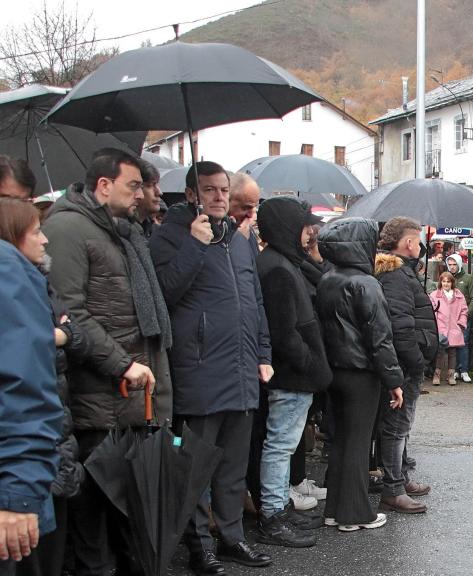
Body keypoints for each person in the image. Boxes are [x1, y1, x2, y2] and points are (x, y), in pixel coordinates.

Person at [43, 151, 173, 576]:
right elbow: (70, 315)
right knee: (94, 521)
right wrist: (121, 365)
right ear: (103, 185)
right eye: (133, 185)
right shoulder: (67, 229)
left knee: (124, 517)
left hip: (128, 399)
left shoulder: (121, 231)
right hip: (99, 400)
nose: (140, 194)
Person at [148, 161, 274, 572]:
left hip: (242, 370)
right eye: (209, 190)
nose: (219, 197)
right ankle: (199, 545)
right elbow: (164, 295)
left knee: (232, 467)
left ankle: (232, 538)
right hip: (199, 370)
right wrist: (194, 245)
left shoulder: (238, 239)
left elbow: (255, 302)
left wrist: (263, 353)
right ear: (191, 195)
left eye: (223, 189)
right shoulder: (170, 236)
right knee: (195, 469)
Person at [253, 197, 333, 547]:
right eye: (303, 225)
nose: (309, 232)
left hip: (293, 374)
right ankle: (273, 515)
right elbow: (283, 333)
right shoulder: (277, 268)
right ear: (288, 227)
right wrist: (310, 363)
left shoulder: (282, 262)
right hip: (291, 376)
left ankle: (278, 508)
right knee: (280, 446)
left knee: (281, 445)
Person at [317, 217, 403, 532]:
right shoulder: (366, 284)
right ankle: (353, 514)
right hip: (360, 373)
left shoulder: (328, 279)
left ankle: (335, 510)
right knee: (358, 443)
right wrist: (394, 381)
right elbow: (380, 338)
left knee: (341, 441)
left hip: (334, 370)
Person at [0, 199, 63, 573]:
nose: (45, 239)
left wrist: (18, 491)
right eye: (36, 231)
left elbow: (24, 386)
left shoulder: (7, 270)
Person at [374, 217, 439, 514]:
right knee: (397, 427)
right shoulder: (396, 275)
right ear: (409, 242)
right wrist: (416, 360)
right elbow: (400, 326)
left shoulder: (401, 271)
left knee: (401, 426)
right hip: (404, 364)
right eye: (418, 240)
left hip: (406, 363)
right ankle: (393, 488)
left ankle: (400, 478)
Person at [430, 271, 468, 386]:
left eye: (448, 281)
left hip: (454, 327)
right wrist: (435, 326)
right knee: (440, 352)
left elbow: (464, 311)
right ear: (440, 282)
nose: (446, 284)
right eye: (444, 281)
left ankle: (451, 375)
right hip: (440, 327)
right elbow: (432, 312)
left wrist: (461, 323)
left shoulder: (459, 295)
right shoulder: (434, 295)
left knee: (452, 352)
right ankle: (437, 375)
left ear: (452, 283)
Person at [446, 254, 473, 382]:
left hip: (463, 316)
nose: (452, 267)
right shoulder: (446, 277)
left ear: (459, 264)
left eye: (454, 264)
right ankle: (454, 371)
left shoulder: (468, 278)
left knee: (463, 343)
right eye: (450, 265)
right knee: (452, 344)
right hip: (449, 317)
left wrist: (467, 313)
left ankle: (464, 370)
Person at [228, 172, 261, 241]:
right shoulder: (210, 234)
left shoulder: (249, 232)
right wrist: (239, 239)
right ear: (227, 201)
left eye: (254, 207)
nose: (251, 215)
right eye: (246, 208)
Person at [136, 159, 163, 238]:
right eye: (150, 185)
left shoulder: (157, 232)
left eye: (157, 185)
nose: (159, 192)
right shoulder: (119, 231)